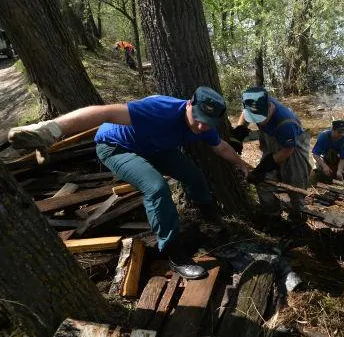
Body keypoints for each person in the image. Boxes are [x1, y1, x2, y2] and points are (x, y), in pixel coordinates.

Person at [8, 87, 251, 280]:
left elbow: (220, 147)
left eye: (207, 123)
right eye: (197, 119)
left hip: (155, 148)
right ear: (189, 104)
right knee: (156, 188)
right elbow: (103, 112)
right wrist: (49, 130)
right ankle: (175, 254)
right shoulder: (159, 109)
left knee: (194, 176)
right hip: (116, 147)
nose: (200, 126)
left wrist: (244, 166)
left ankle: (211, 219)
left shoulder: (204, 127)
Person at [229, 87, 311, 222]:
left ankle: (298, 217)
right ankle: (273, 216)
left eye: (261, 118)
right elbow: (245, 114)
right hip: (270, 139)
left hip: (292, 147)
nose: (259, 122)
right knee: (263, 182)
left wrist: (263, 167)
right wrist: (239, 133)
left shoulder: (287, 122)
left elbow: (286, 151)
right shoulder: (254, 104)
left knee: (296, 183)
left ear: (270, 107)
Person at [311, 120, 344, 184]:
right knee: (319, 173)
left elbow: (342, 158)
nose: (341, 135)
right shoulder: (323, 137)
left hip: (335, 158)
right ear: (332, 130)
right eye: (339, 132)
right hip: (323, 157)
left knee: (339, 174)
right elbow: (315, 154)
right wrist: (324, 166)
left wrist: (339, 170)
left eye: (343, 132)